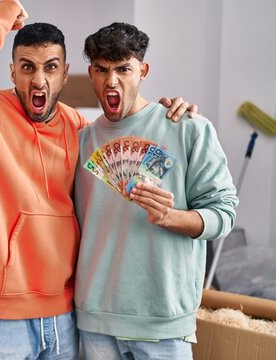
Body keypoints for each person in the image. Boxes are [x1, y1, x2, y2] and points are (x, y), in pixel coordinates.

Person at [0, 1, 194, 358]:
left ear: (64, 74)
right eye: (27, 67)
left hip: (65, 314)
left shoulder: (81, 129)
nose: (39, 79)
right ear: (12, 72)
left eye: (50, 68)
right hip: (2, 317)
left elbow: (129, 145)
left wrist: (166, 113)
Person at [74, 22, 239, 359]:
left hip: (163, 324)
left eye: (124, 69)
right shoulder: (79, 141)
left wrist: (171, 217)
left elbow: (224, 214)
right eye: (102, 70)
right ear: (91, 72)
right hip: (95, 322)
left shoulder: (188, 128)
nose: (112, 81)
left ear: (143, 70)